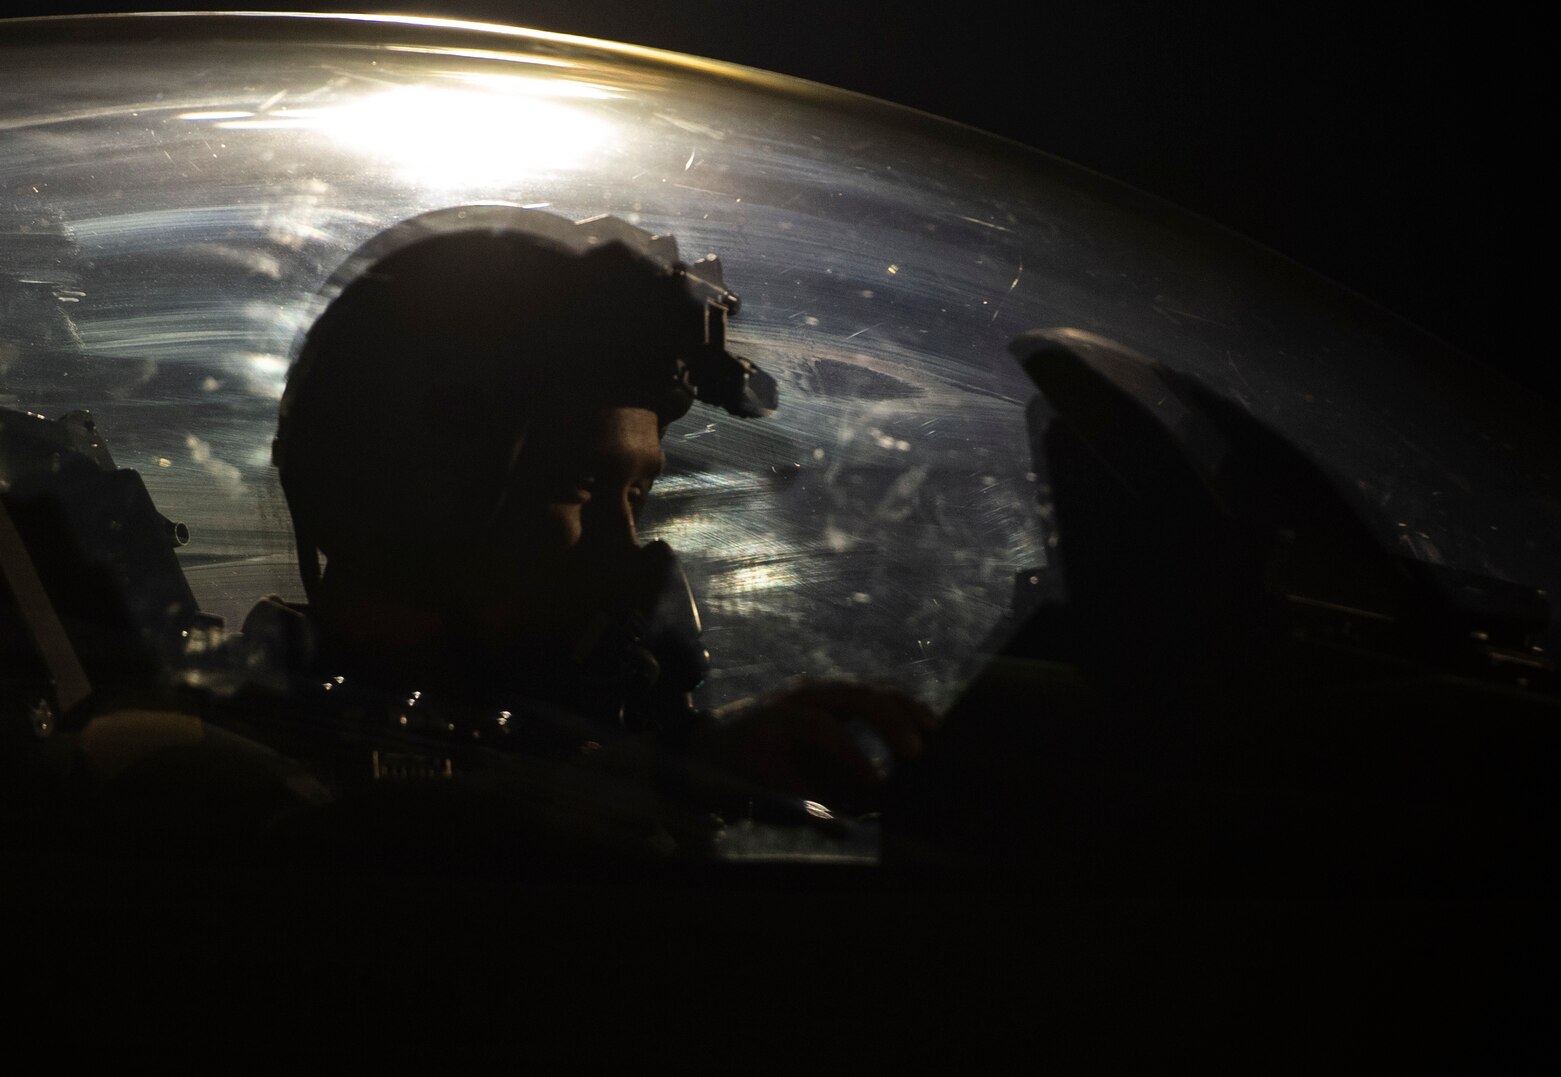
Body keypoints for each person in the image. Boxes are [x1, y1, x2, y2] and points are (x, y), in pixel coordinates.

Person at [70, 207, 932, 855]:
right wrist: (662, 776)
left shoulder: (533, 742)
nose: (626, 555)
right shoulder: (165, 763)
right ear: (398, 498)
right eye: (577, 486)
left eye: (638, 494)